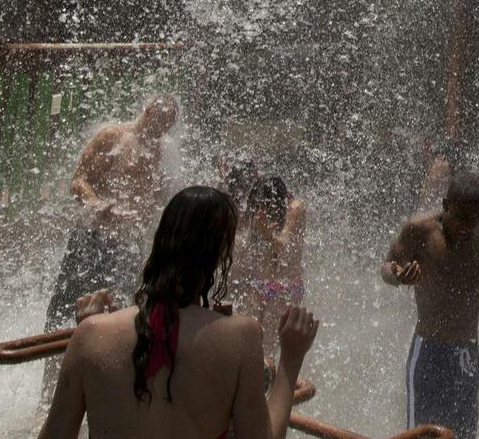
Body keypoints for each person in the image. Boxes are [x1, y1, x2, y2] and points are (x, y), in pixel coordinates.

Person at [39, 185, 317, 439]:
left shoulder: (90, 335)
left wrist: (91, 331)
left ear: (159, 241)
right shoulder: (241, 337)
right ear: (221, 255)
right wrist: (290, 360)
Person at [382, 169, 479, 439]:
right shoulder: (419, 230)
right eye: (460, 218)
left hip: (466, 351)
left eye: (472, 220)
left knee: (463, 434)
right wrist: (400, 277)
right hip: (428, 351)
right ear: (446, 205)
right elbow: (387, 267)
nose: (466, 227)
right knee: (420, 435)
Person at [45, 95, 179, 335]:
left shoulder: (162, 153)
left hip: (128, 243)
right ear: (147, 112)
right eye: (161, 122)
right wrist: (97, 204)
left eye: (168, 126)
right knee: (66, 308)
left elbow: (157, 200)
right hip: (92, 236)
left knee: (119, 312)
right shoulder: (112, 137)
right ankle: (53, 365)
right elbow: (79, 180)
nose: (162, 131)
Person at [227, 167, 308, 362]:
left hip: (286, 288)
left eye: (268, 206)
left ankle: (271, 386)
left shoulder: (295, 208)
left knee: (270, 346)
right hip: (261, 285)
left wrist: (268, 236)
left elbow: (282, 243)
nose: (263, 211)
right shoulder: (258, 213)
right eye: (258, 205)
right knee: (251, 343)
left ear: (278, 201)